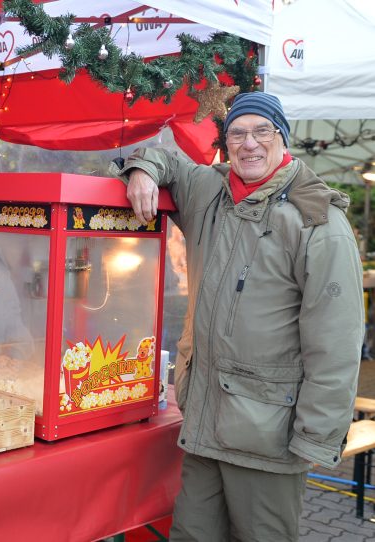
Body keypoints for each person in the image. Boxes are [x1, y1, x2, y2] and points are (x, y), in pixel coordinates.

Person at [117, 91, 363, 541]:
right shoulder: (209, 191)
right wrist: (142, 171)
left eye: (261, 132)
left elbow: (337, 341)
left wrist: (316, 437)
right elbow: (164, 159)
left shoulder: (318, 222)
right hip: (206, 423)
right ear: (226, 144)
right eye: (237, 134)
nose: (248, 144)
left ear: (282, 138)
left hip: (268, 437)